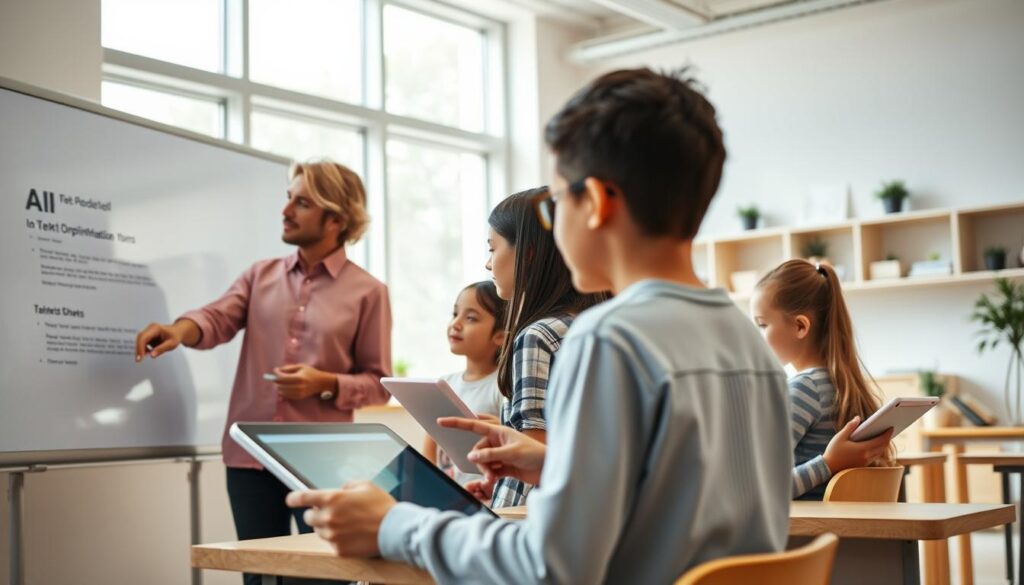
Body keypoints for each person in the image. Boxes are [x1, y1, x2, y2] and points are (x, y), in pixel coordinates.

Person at [287, 68, 793, 584]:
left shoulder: (608, 340)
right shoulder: (745, 340)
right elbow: (680, 511)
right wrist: (554, 466)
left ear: (595, 203)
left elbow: (548, 568)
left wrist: (396, 524)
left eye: (556, 205)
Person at [135, 160, 392, 585]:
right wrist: (176, 330)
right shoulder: (260, 276)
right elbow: (216, 317)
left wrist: (324, 383)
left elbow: (377, 383)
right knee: (258, 577)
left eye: (302, 202)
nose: (286, 209)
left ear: (336, 219)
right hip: (248, 457)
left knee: (324, 576)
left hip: (322, 462)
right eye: (288, 197)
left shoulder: (369, 293)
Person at [479, 189, 607, 507]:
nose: (487, 263)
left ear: (529, 253)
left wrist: (502, 502)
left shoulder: (538, 336)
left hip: (532, 521)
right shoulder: (602, 327)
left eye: (492, 249)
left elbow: (533, 460)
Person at [751, 259, 894, 499]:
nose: (757, 338)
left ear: (800, 326)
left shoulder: (803, 390)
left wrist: (827, 464)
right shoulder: (845, 386)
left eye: (763, 325)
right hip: (843, 532)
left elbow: (762, 492)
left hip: (807, 534)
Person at [423, 281, 507, 486]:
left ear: (500, 336)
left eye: (470, 318)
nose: (456, 324)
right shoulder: (444, 384)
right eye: (455, 314)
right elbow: (430, 445)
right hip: (450, 496)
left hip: (486, 499)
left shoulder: (502, 387)